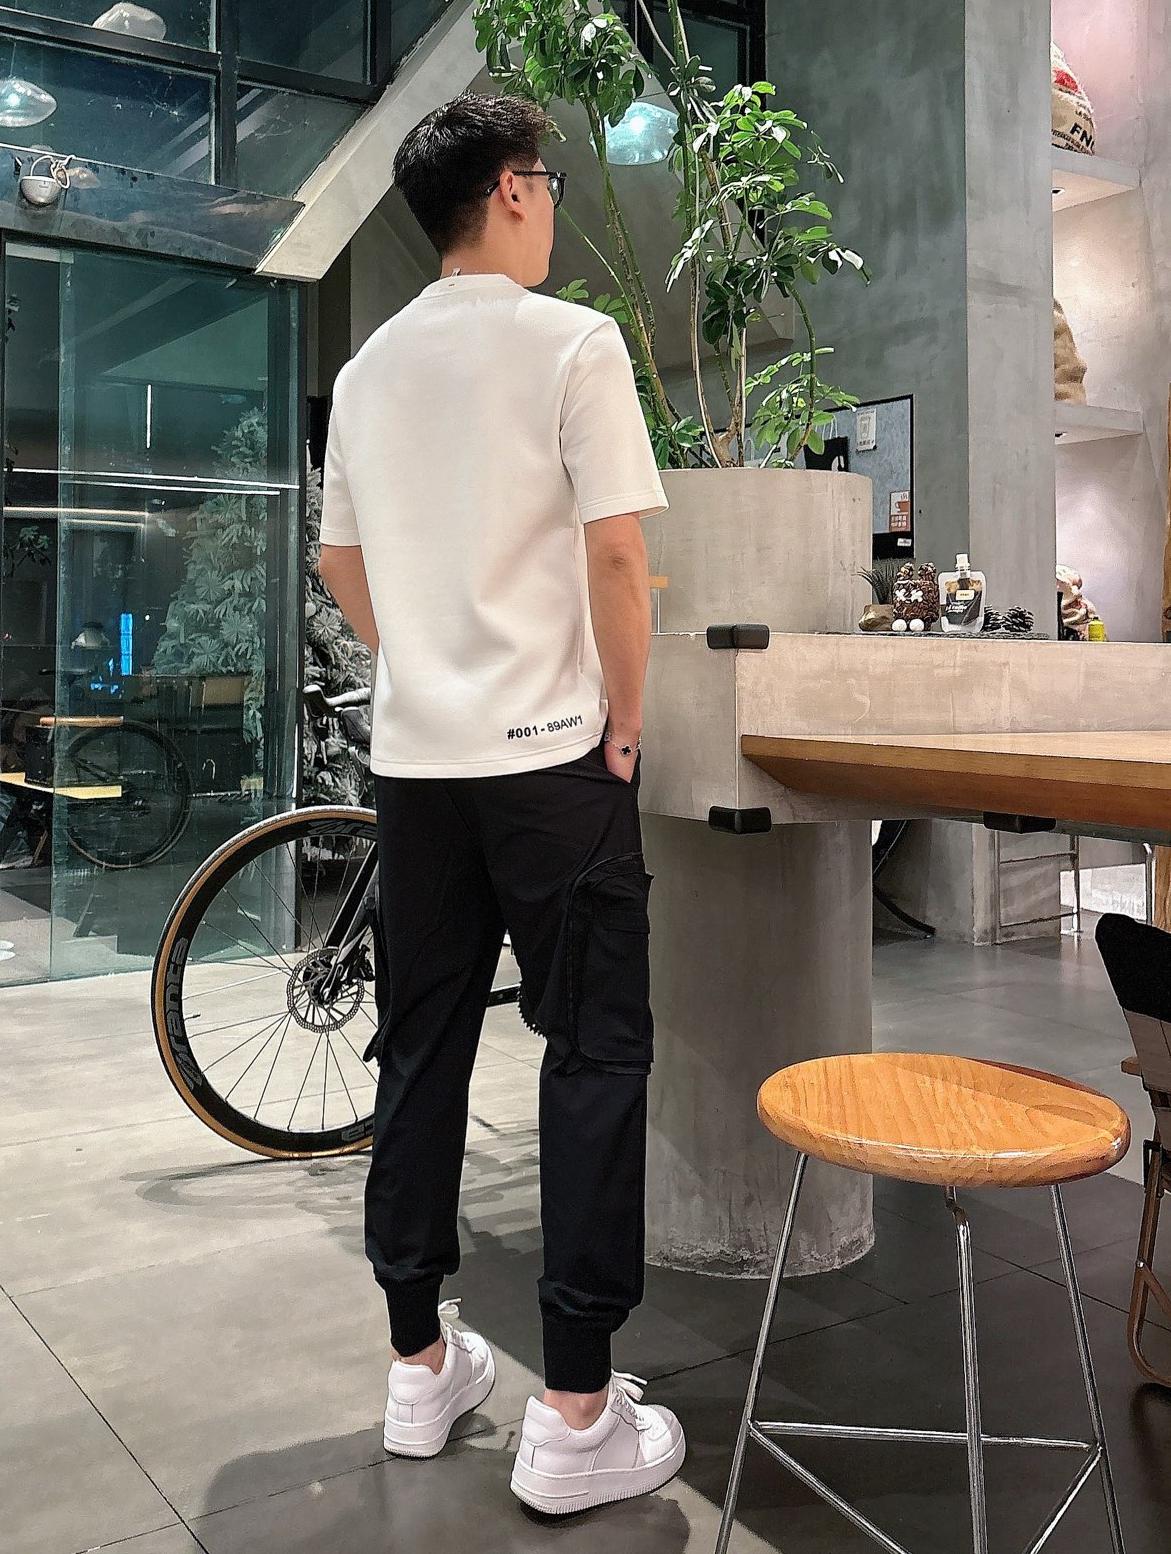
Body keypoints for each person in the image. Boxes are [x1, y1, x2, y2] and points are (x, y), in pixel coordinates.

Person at [317, 93, 678, 1518]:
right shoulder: (572, 342)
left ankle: (421, 1365)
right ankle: (576, 1408)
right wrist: (625, 721)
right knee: (591, 1052)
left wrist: (424, 665)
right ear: (515, 191)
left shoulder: (368, 371)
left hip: (420, 771)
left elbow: (341, 565)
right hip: (552, 765)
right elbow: (618, 562)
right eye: (548, 185)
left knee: (419, 1051)